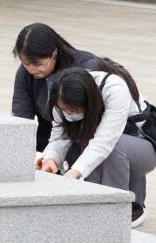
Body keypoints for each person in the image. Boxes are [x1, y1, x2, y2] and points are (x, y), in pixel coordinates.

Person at [36, 60, 156, 227]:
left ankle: (116, 208)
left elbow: (105, 141)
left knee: (111, 147)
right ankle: (103, 208)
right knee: (86, 153)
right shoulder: (60, 96)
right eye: (63, 109)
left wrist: (73, 174)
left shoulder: (114, 88)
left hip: (144, 146)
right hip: (110, 147)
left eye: (72, 111)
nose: (67, 114)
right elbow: (60, 138)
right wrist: (51, 159)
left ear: (89, 102)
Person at [11, 24, 97, 152]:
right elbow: (21, 119)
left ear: (54, 53)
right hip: (48, 139)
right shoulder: (25, 73)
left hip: (87, 139)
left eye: (38, 64)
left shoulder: (86, 67)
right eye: (26, 63)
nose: (31, 70)